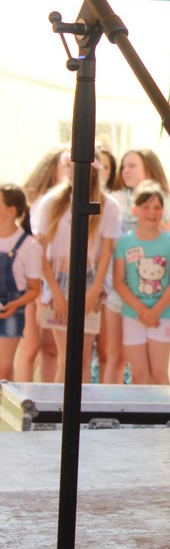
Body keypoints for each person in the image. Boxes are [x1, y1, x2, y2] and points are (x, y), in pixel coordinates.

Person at [36, 153, 121, 384]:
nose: (71, 172)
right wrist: (55, 292)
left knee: (82, 358)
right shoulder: (52, 202)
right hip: (58, 283)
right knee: (66, 359)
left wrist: (94, 291)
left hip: (90, 283)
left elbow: (106, 252)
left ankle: (82, 405)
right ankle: (61, 406)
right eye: (68, 166)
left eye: (76, 167)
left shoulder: (108, 206)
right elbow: (39, 251)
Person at [104, 148, 170, 384]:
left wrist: (149, 207)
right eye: (123, 166)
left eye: (132, 165)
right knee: (115, 357)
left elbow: (168, 241)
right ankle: (111, 405)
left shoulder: (167, 201)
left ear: (148, 168)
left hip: (155, 300)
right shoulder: (113, 199)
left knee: (156, 371)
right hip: (119, 291)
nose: (125, 171)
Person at [113, 180, 170, 385]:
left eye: (157, 207)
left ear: (163, 211)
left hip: (163, 316)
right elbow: (119, 281)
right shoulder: (124, 242)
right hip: (133, 315)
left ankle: (164, 408)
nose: (152, 213)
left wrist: (155, 312)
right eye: (146, 207)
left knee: (159, 375)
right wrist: (142, 311)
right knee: (139, 375)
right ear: (135, 210)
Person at [14, 145, 70, 382]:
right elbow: (34, 247)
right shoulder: (41, 200)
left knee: (49, 347)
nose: (70, 169)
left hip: (47, 282)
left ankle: (46, 395)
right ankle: (21, 394)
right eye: (65, 164)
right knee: (30, 346)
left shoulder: (65, 200)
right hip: (32, 281)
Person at [0, 184, 42, 380]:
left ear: (11, 211)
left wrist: (14, 304)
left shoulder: (29, 246)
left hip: (10, 311)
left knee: (3, 369)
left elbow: (34, 289)